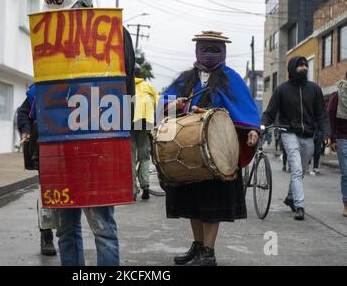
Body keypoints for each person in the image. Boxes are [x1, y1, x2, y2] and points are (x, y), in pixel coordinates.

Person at [40, 0, 136, 266]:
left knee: (100, 229)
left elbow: (125, 92)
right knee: (67, 231)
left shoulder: (115, 34)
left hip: (98, 147)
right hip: (64, 148)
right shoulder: (49, 37)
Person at [160, 31, 260, 266]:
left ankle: (209, 252)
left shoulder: (231, 78)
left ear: (223, 51)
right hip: (189, 152)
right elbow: (164, 103)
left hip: (218, 151)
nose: (210, 53)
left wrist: (253, 129)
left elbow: (245, 108)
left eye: (216, 49)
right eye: (206, 48)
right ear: (197, 50)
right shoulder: (186, 79)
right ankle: (197, 247)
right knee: (193, 201)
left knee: (212, 201)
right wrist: (173, 104)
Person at [262, 56, 330, 220]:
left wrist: (326, 133)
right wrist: (262, 126)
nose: (304, 68)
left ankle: (290, 197)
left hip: (308, 136)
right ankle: (300, 206)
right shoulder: (282, 90)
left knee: (300, 171)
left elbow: (321, 114)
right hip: (288, 132)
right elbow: (270, 112)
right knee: (297, 169)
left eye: (306, 65)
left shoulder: (314, 89)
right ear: (293, 68)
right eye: (300, 66)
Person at [17, 85, 58, 257]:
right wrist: (26, 130)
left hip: (73, 151)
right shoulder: (39, 88)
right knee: (47, 194)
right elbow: (23, 113)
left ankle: (67, 232)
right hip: (45, 151)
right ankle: (46, 236)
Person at [132, 63, 159, 201]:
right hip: (145, 122)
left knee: (130, 157)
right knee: (144, 157)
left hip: (128, 122)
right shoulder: (148, 87)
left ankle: (132, 190)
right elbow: (159, 104)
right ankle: (145, 186)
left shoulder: (125, 86)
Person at [328, 72, 347, 217]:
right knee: (346, 173)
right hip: (342, 138)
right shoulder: (338, 95)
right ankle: (346, 204)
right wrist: (332, 138)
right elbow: (330, 116)